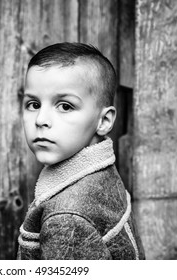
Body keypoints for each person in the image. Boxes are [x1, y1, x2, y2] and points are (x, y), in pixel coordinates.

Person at [17, 42, 145, 260]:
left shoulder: (66, 219)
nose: (41, 120)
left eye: (65, 106)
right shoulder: (101, 171)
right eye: (34, 104)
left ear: (103, 121)